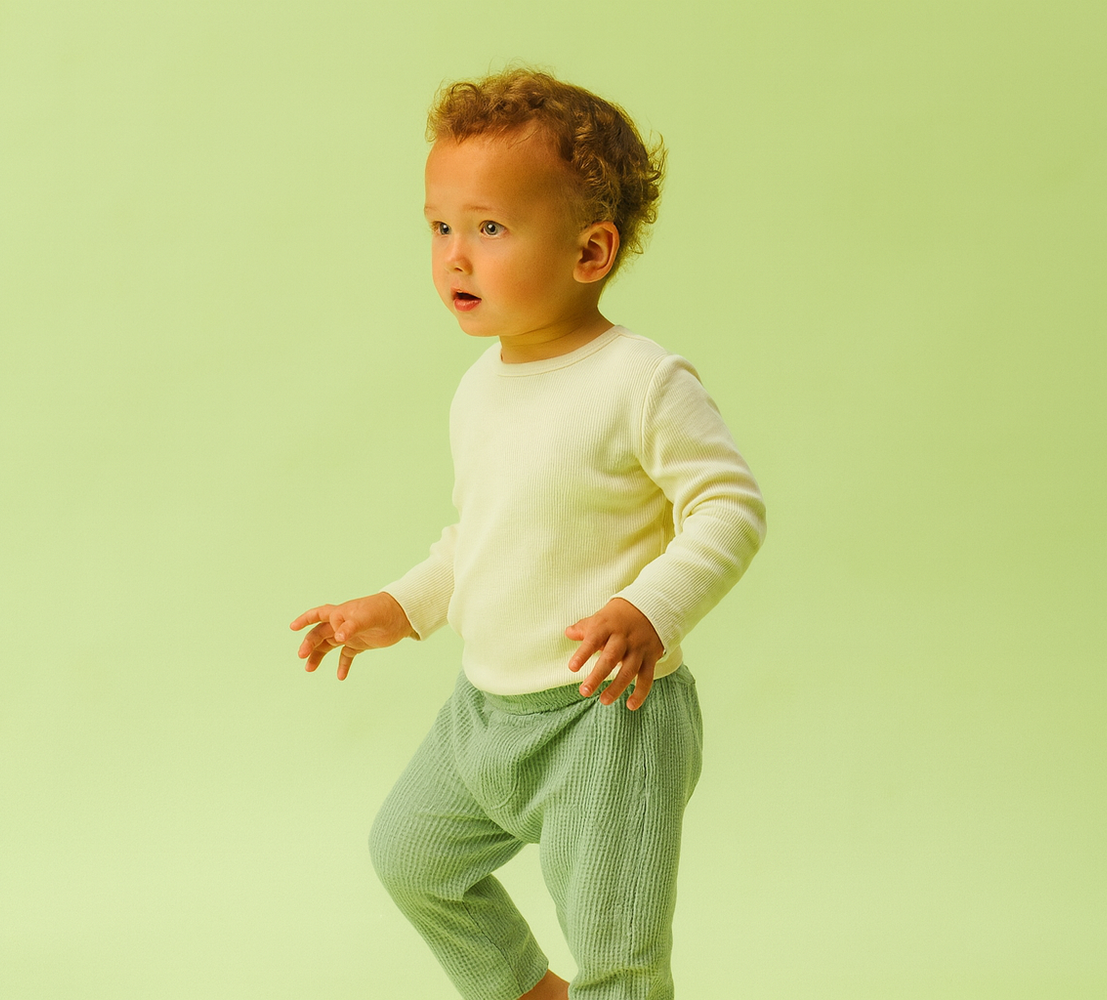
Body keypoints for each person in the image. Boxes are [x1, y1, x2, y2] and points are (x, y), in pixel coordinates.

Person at [289, 67, 766, 1000]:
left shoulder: (641, 381)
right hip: (487, 710)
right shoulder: (483, 388)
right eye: (440, 227)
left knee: (616, 947)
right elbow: (482, 537)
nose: (455, 256)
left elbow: (731, 507)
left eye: (490, 228)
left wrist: (650, 608)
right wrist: (399, 606)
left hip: (605, 721)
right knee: (412, 856)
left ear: (591, 252)